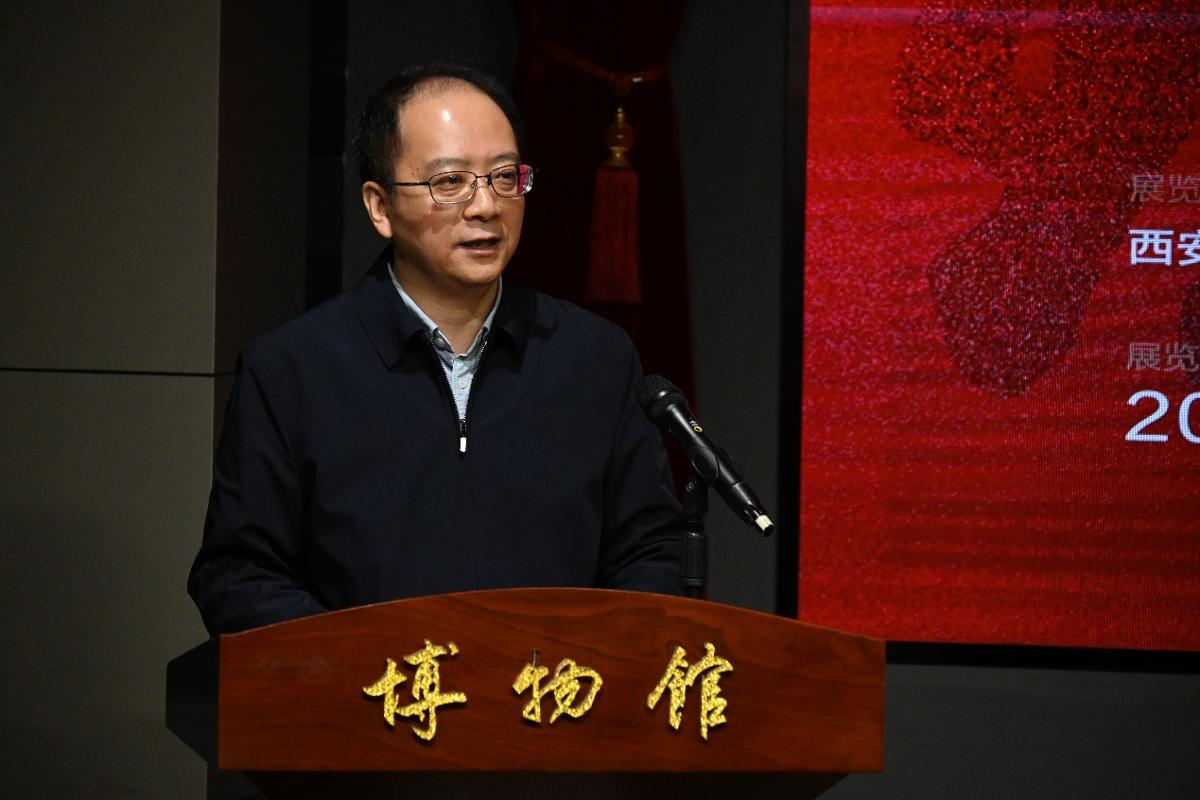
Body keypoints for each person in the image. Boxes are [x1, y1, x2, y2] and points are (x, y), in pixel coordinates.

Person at [187, 64, 683, 634]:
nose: (485, 205)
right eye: (450, 182)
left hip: (556, 684)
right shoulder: (292, 370)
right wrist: (365, 665)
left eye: (504, 176)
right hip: (377, 686)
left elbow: (651, 548)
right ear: (380, 207)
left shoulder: (593, 357)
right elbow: (238, 574)